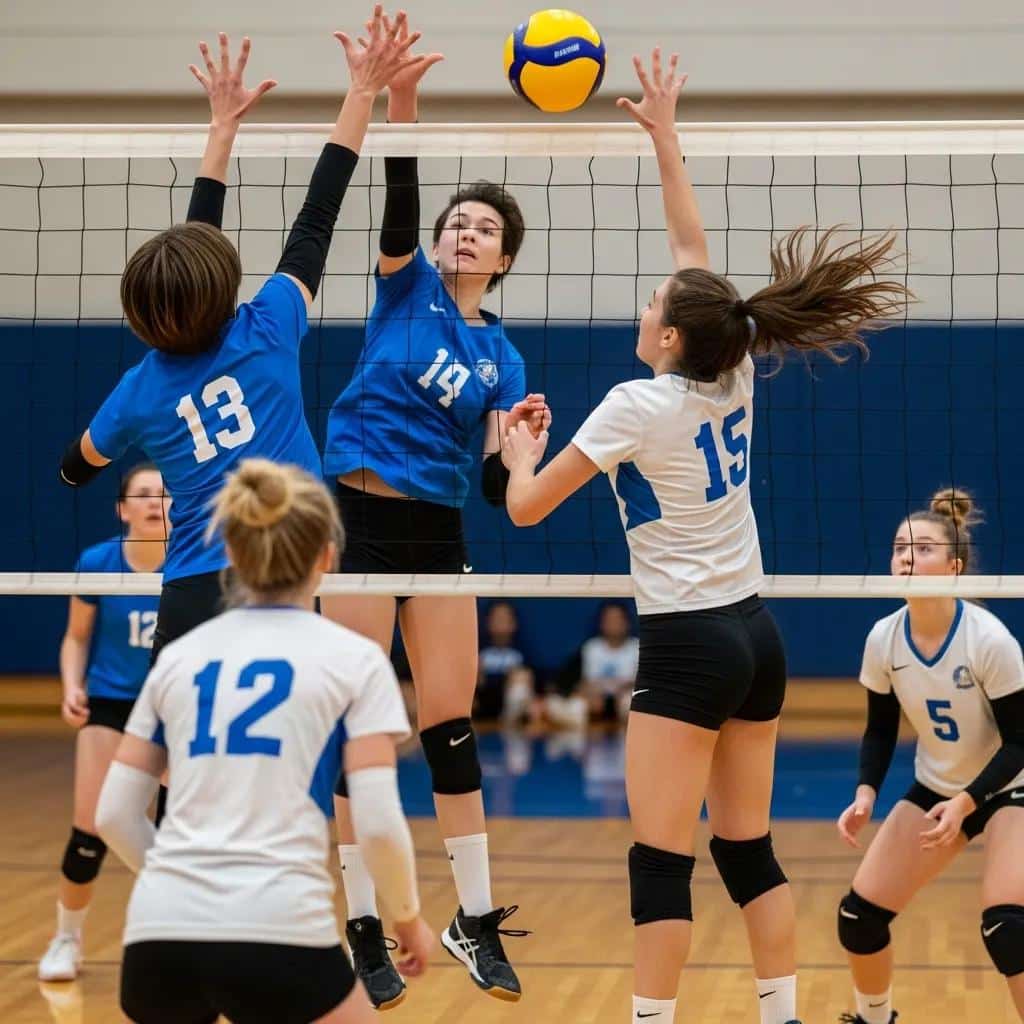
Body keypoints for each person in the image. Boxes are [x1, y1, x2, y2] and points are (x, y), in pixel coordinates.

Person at [501, 49, 910, 1024]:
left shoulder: (632, 405)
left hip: (686, 640)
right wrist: (665, 139)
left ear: (671, 336)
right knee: (745, 848)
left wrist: (521, 448)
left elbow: (525, 509)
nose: (647, 307)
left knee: (658, 860)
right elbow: (695, 257)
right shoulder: (733, 369)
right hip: (755, 635)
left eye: (652, 306)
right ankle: (781, 1015)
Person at [58, 13, 426, 667]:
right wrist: (359, 94)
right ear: (220, 287)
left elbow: (75, 467)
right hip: (284, 575)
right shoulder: (268, 327)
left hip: (193, 591)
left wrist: (220, 128)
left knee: (178, 760)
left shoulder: (136, 392)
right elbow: (318, 215)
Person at [320, 14, 543, 1005]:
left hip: (441, 530)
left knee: (450, 725)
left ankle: (472, 917)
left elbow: (501, 487)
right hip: (361, 523)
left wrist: (525, 441)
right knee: (361, 726)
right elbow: (400, 205)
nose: (465, 230)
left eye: (484, 228)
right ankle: (365, 920)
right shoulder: (406, 287)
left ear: (502, 259)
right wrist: (399, 104)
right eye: (460, 220)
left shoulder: (505, 358)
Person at [95, 459, 434, 1024]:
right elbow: (374, 822)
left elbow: (113, 815)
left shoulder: (179, 659)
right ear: (327, 556)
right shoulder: (354, 661)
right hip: (279, 926)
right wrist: (406, 918)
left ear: (230, 552)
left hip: (159, 934)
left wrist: (183, 888)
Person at [835, 488, 1024, 1024]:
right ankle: (876, 1020)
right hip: (940, 787)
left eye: (922, 549)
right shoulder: (884, 638)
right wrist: (866, 792)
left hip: (1012, 786)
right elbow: (879, 728)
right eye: (899, 548)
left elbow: (1021, 741)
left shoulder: (988, 640)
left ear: (956, 567)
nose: (906, 558)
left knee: (1008, 928)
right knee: (858, 918)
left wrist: (968, 802)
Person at [38, 464, 170, 983]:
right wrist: (72, 684)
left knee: (180, 830)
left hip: (171, 707)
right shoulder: (98, 562)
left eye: (163, 494)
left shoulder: (194, 562)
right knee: (89, 830)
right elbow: (75, 637)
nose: (155, 502)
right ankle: (66, 937)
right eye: (142, 494)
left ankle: (184, 930)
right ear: (123, 509)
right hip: (112, 703)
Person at [477, 601, 534, 723]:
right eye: (497, 619)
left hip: (510, 706)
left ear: (513, 623)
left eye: (505, 619)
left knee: (521, 679)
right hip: (481, 702)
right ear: (488, 622)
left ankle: (512, 718)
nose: (500, 623)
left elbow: (531, 679)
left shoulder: (521, 652)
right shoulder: (478, 651)